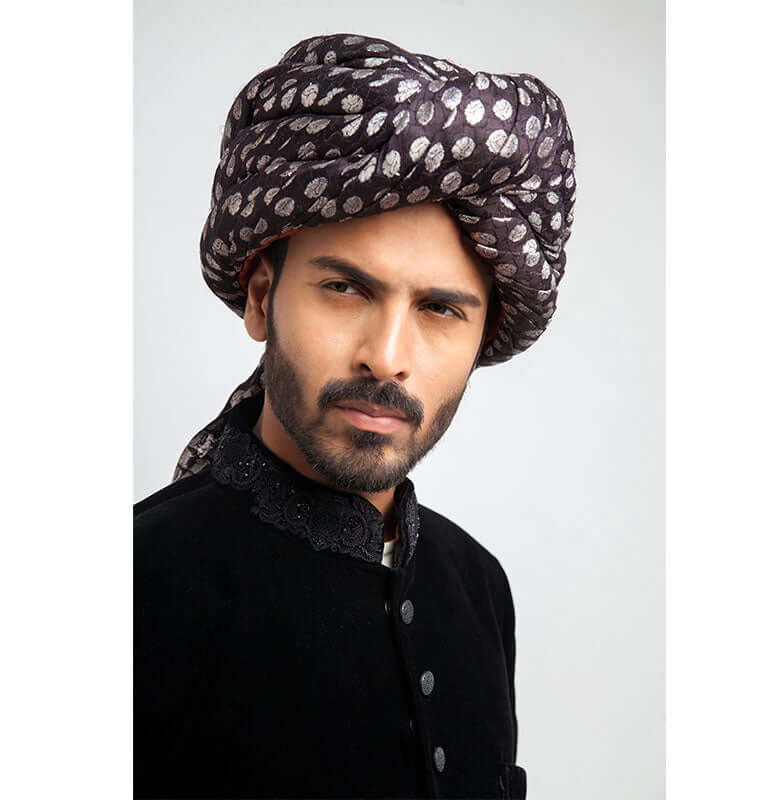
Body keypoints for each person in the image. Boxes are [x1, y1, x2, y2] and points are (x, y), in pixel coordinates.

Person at [134, 31, 576, 800]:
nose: (387, 355)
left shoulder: (478, 587)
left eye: (440, 309)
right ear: (262, 296)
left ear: (481, 338)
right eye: (346, 289)